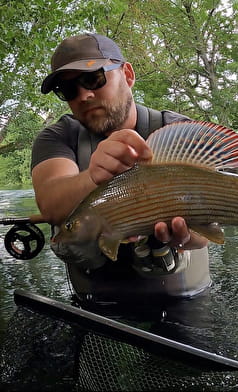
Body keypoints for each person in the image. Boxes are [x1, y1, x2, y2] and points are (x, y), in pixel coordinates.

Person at [31, 33, 211, 307]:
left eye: (93, 78)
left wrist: (190, 236)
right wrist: (93, 176)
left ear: (127, 74)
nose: (84, 95)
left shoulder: (180, 133)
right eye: (68, 91)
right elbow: (50, 202)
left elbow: (210, 229)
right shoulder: (57, 137)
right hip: (96, 306)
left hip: (186, 302)